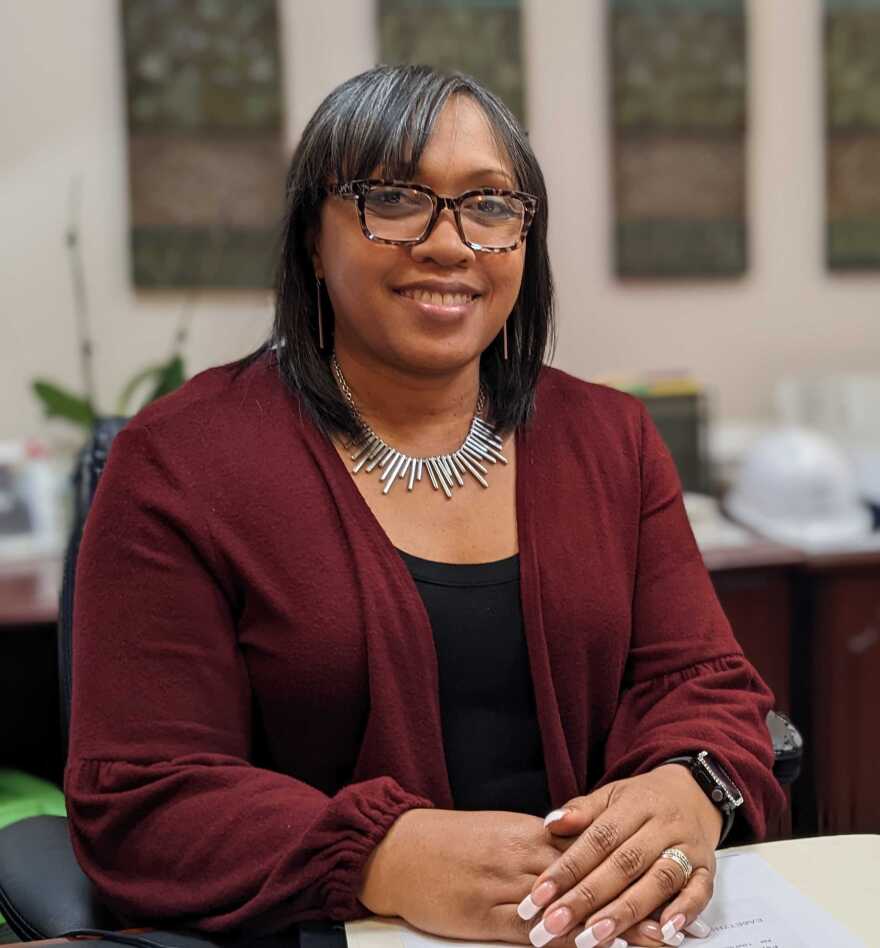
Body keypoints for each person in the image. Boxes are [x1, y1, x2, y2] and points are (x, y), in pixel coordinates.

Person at [66, 65, 784, 948]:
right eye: (396, 198)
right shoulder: (178, 462)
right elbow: (143, 792)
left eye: (489, 205)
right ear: (310, 237)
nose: (449, 244)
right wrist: (384, 856)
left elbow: (704, 688)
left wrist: (686, 786)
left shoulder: (612, 439)